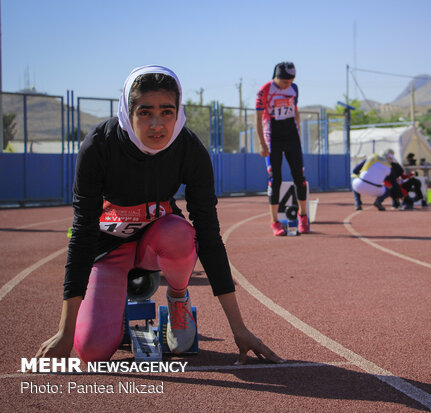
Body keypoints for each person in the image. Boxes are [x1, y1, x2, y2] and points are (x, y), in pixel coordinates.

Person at [34, 65, 283, 364]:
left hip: (158, 242)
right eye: (144, 112)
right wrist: (64, 332)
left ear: (179, 112)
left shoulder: (189, 149)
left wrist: (239, 328)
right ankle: (115, 312)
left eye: (167, 112)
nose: (157, 125)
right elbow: (82, 234)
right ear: (127, 112)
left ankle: (178, 300)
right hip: (109, 248)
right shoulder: (99, 146)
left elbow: (209, 235)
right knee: (91, 351)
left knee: (181, 234)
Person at [255, 62, 309, 236]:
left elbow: (295, 110)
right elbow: (257, 119)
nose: (287, 85)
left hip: (291, 135)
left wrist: (298, 133)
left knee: (299, 177)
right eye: (284, 82)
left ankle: (303, 216)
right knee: (275, 179)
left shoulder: (294, 88)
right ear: (276, 77)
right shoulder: (264, 90)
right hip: (273, 136)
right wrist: (262, 143)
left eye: (290, 81)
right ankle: (274, 221)